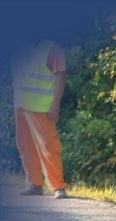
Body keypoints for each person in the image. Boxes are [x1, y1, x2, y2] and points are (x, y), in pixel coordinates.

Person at [12, 38, 68, 199]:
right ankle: (35, 185)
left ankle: (58, 187)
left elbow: (61, 76)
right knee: (25, 147)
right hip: (21, 105)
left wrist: (56, 103)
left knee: (49, 146)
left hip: (41, 107)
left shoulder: (52, 48)